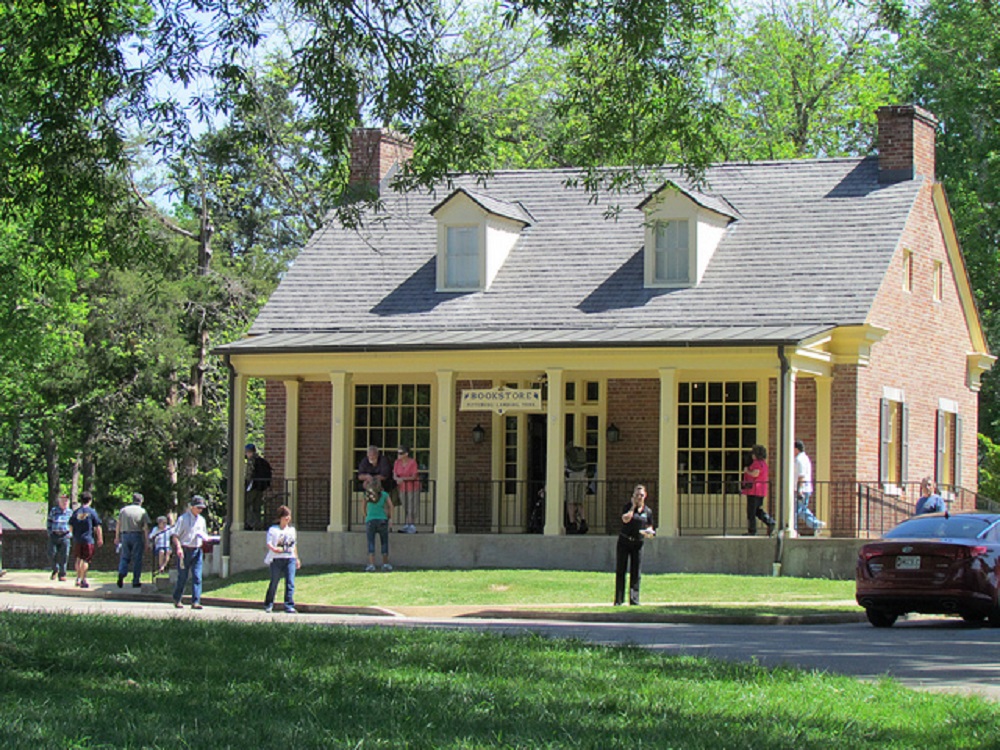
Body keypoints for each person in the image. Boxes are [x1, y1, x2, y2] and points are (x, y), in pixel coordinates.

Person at [614, 484, 655, 606]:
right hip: (624, 541)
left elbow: (650, 527)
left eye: (641, 495)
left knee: (636, 572)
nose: (639, 497)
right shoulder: (627, 507)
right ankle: (619, 600)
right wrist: (633, 506)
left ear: (645, 496)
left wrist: (649, 533)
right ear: (633, 496)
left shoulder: (648, 511)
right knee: (621, 570)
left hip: (638, 543)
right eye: (637, 495)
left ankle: (634, 599)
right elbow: (625, 519)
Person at [171, 495, 211, 609]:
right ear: (192, 507)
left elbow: (204, 534)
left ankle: (196, 601)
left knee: (197, 576)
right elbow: (175, 535)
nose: (200, 510)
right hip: (185, 549)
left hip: (197, 550)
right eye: (198, 507)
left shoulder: (201, 520)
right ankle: (177, 598)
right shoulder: (183, 519)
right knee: (183, 577)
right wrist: (178, 548)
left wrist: (205, 539)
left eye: (201, 508)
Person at [263, 505, 301, 613]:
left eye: (289, 516)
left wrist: (297, 558)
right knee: (274, 581)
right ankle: (268, 604)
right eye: (285, 516)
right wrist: (275, 549)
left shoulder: (292, 530)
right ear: (280, 518)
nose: (287, 518)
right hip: (276, 559)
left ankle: (289, 605)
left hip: (290, 558)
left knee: (290, 582)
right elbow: (269, 543)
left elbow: (294, 545)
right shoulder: (273, 530)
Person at [115, 492, 152, 589]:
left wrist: (117, 537)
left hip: (125, 535)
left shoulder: (124, 510)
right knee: (137, 559)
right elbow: (145, 527)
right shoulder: (142, 511)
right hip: (137, 534)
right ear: (141, 501)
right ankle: (135, 580)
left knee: (124, 556)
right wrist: (147, 541)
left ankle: (122, 572)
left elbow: (118, 524)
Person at [68, 491, 103, 589]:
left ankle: (78, 578)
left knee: (78, 559)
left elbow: (70, 525)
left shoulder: (76, 512)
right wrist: (100, 538)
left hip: (77, 539)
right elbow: (97, 526)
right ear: (90, 500)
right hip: (88, 539)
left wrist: (72, 535)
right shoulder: (92, 512)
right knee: (86, 560)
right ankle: (83, 579)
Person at [741, 445, 776, 537]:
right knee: (757, 510)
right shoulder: (764, 464)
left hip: (754, 490)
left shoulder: (756, 463)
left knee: (751, 512)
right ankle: (770, 522)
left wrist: (747, 471)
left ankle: (752, 531)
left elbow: (755, 474)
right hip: (761, 490)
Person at [794, 440, 826, 533]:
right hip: (804, 488)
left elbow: (801, 476)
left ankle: (814, 524)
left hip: (802, 489)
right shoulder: (804, 458)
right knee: (800, 510)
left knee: (797, 510)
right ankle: (816, 524)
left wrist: (800, 490)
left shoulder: (800, 460)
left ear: (796, 449)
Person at [363, 478, 393, 572]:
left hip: (370, 520)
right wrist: (390, 517)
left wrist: (366, 516)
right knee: (384, 542)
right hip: (382, 520)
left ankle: (371, 564)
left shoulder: (367, 495)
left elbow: (363, 507)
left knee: (371, 542)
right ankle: (385, 564)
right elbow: (391, 506)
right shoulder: (384, 495)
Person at [46, 494, 74, 581]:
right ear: (59, 501)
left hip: (65, 535)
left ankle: (62, 574)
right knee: (51, 553)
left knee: (64, 555)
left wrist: (71, 534)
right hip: (54, 535)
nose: (64, 502)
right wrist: (50, 532)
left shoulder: (70, 512)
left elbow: (73, 525)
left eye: (66, 501)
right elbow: (49, 522)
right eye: (63, 500)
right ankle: (55, 569)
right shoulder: (54, 511)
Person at [393, 445, 420, 534]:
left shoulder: (412, 462)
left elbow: (414, 476)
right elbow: (395, 474)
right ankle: (407, 525)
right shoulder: (397, 462)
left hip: (412, 487)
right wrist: (397, 479)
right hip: (402, 488)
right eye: (398, 453)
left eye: (401, 453)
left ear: (406, 454)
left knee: (412, 506)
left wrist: (403, 479)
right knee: (405, 506)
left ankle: (411, 525)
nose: (399, 455)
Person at [245, 443, 273, 527]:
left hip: (253, 487)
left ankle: (251, 523)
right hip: (261, 487)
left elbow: (249, 474)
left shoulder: (252, 461)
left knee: (246, 504)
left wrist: (246, 484)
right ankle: (257, 524)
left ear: (250, 452)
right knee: (257, 507)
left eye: (247, 452)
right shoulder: (263, 461)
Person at [565, 444, 589, 534]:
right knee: (580, 501)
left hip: (571, 477)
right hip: (582, 476)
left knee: (570, 501)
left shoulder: (566, 456)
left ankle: (572, 524)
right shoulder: (580, 456)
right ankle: (583, 521)